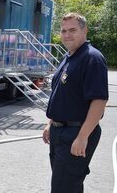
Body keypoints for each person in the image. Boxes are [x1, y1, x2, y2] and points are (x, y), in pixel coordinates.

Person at [42, 13, 108, 193]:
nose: (67, 34)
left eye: (72, 30)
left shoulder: (91, 58)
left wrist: (82, 137)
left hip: (75, 133)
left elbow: (99, 100)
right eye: (63, 30)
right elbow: (62, 94)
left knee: (63, 188)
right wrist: (51, 124)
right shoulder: (69, 56)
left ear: (84, 31)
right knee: (68, 186)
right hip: (60, 132)